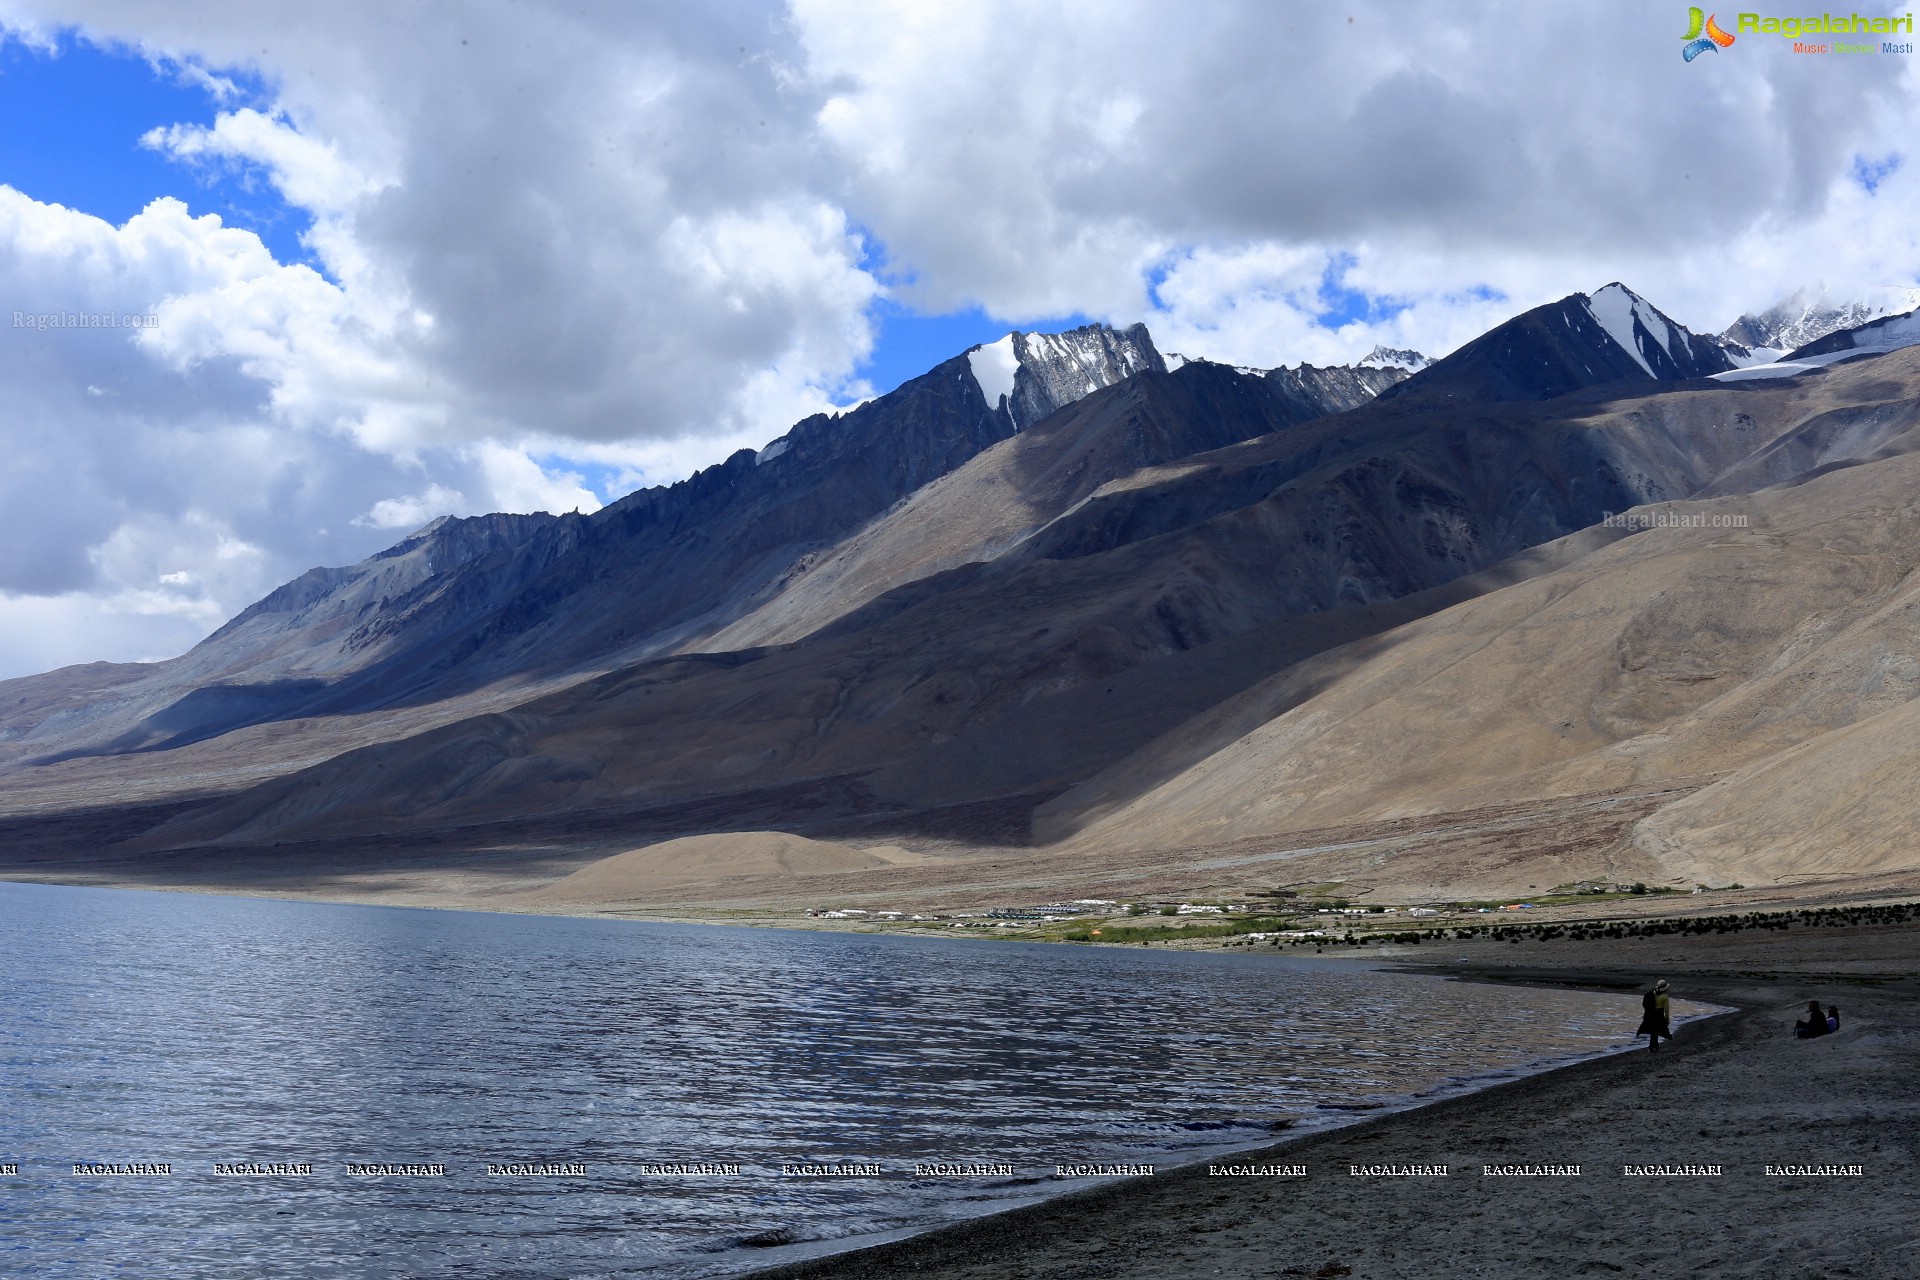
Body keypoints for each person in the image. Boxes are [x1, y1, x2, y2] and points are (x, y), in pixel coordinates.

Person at [1637, 979, 1672, 1053]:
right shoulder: (1665, 996)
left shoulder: (1652, 993)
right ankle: (1652, 1047)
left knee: (1654, 1031)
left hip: (1650, 1014)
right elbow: (1666, 1010)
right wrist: (1667, 1019)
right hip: (1659, 1015)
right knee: (1655, 1031)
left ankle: (1655, 1047)